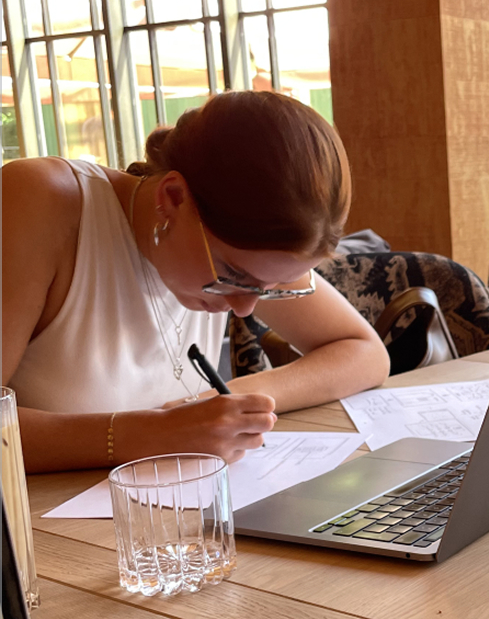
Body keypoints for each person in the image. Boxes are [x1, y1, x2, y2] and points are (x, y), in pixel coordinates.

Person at [3, 90, 390, 473]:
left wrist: (223, 405)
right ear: (172, 197)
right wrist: (143, 434)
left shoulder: (243, 251)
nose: (245, 308)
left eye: (270, 289)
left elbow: (364, 353)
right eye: (234, 276)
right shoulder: (42, 201)